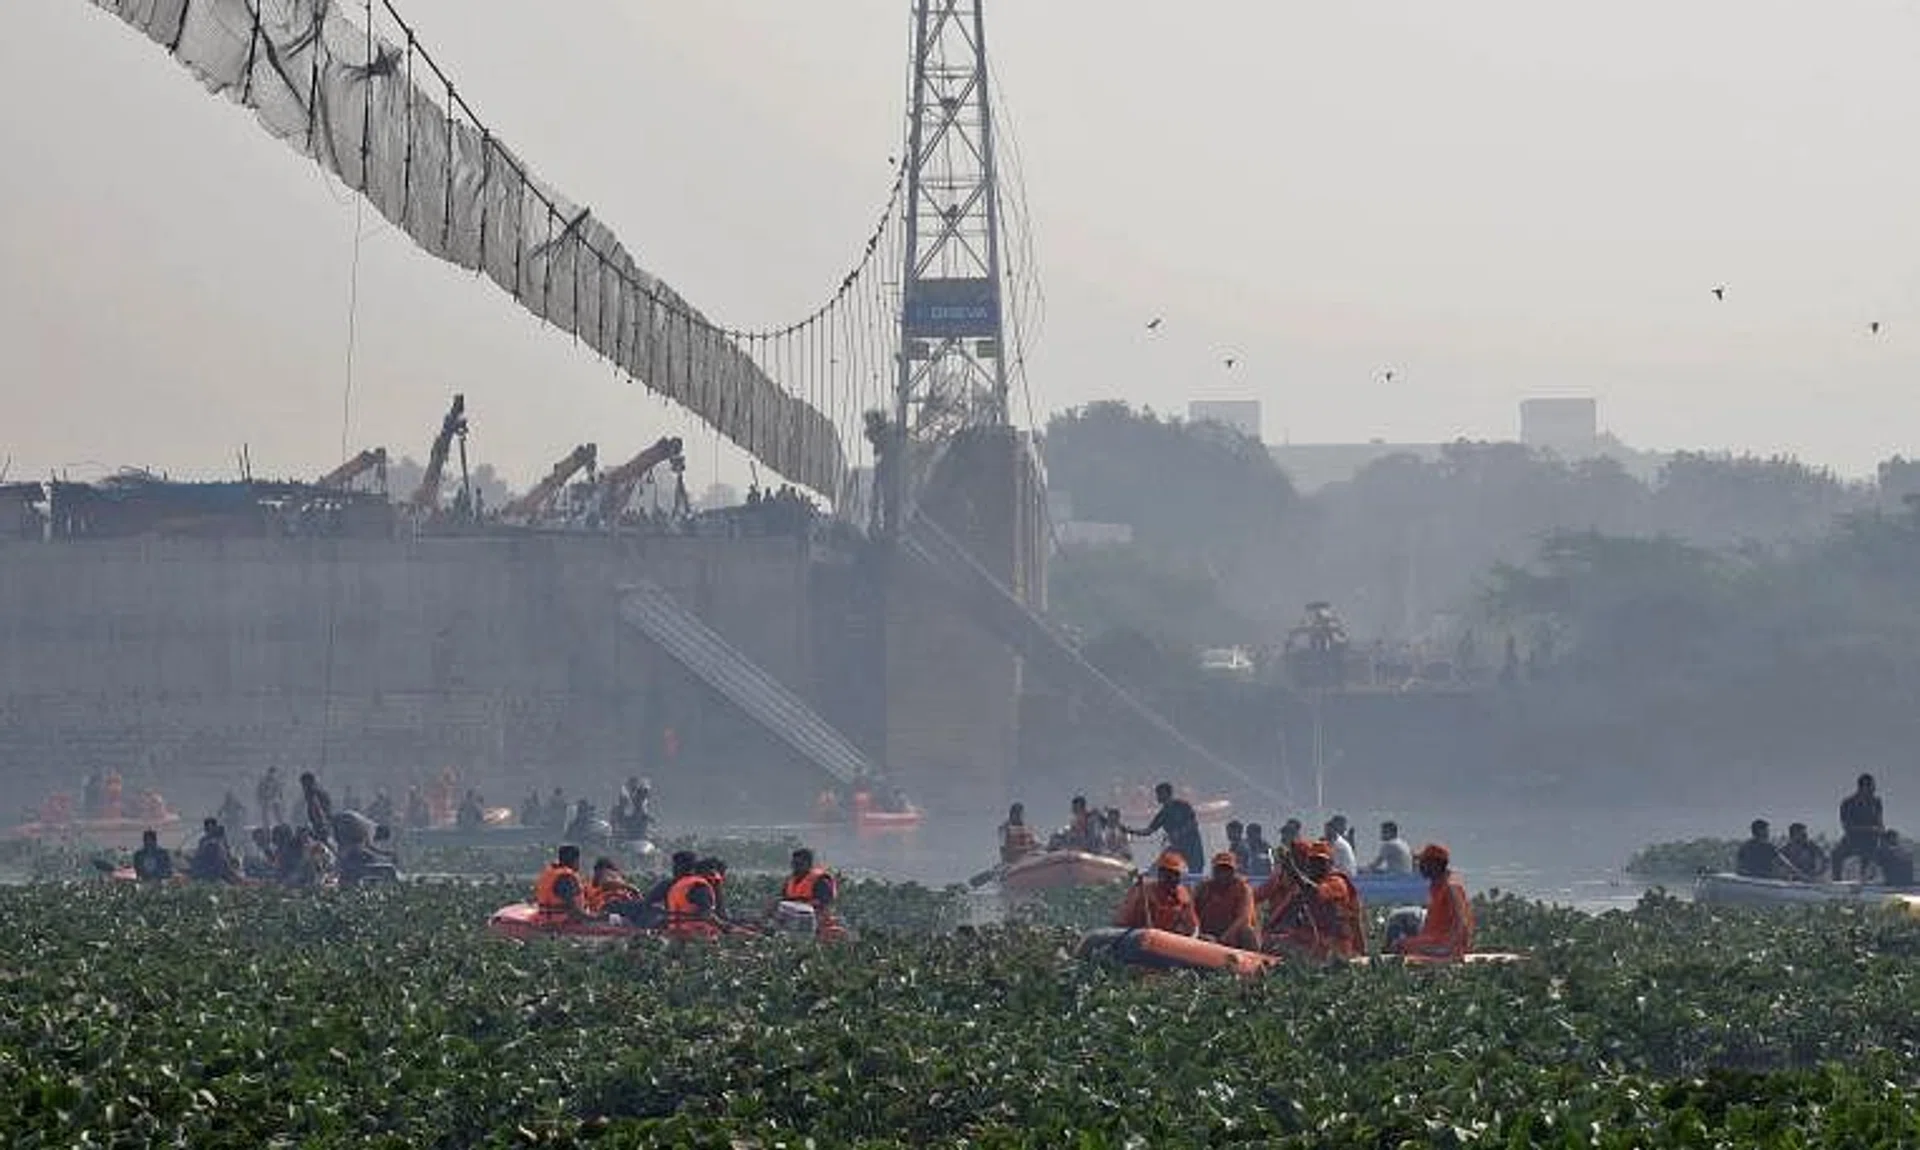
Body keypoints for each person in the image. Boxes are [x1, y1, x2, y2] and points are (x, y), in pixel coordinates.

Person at [1268, 842, 1366, 960]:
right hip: (1315, 938)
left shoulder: (1337, 882)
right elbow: (1286, 911)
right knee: (1275, 942)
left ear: (1330, 864)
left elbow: (1315, 892)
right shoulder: (1301, 885)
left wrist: (1293, 871)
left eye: (1320, 862)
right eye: (1312, 861)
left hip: (1336, 944)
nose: (1315, 865)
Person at [1390, 843, 1474, 961]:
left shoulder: (1451, 886)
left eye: (1423, 862)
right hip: (1434, 940)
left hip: (1445, 945)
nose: (1420, 866)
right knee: (1400, 939)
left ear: (1435, 864)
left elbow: (1461, 923)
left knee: (1400, 945)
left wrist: (1454, 950)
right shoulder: (1436, 885)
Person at [1122, 783, 1204, 874]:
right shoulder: (1162, 814)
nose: (1157, 796)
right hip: (1177, 848)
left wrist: (1180, 833)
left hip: (1193, 846)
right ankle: (1147, 876)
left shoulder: (1183, 806)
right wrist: (1131, 831)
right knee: (1160, 866)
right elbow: (1148, 831)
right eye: (1157, 793)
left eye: (1159, 793)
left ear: (1167, 793)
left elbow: (1193, 823)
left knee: (1196, 871)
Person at [1113, 851, 1199, 935]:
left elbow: (1192, 927)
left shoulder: (1183, 897)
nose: (1173, 879)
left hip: (1165, 943)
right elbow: (1122, 922)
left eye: (1177, 875)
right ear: (1160, 873)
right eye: (1168, 875)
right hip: (1137, 940)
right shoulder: (1142, 891)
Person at [1193, 851, 1260, 950]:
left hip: (1234, 936)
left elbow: (1243, 918)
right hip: (1209, 934)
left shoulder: (1243, 889)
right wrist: (1200, 933)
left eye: (1227, 870)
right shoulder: (1203, 888)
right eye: (1219, 869)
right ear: (1214, 871)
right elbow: (1192, 913)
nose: (1223, 874)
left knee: (1247, 932)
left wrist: (1224, 938)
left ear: (1234, 871)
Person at [1833, 774, 1887, 881]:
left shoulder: (1876, 802)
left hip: (1872, 841)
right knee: (1836, 855)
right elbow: (1847, 827)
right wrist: (1869, 829)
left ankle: (1889, 881)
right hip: (1853, 839)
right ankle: (1837, 882)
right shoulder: (1848, 803)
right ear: (1863, 787)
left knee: (1890, 854)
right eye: (1872, 786)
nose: (1874, 789)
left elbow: (1880, 822)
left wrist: (1882, 832)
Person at [780, 848, 842, 939]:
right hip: (791, 920)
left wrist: (801, 904)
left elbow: (824, 902)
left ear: (808, 864)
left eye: (799, 864)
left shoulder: (820, 881)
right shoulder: (790, 881)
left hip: (815, 920)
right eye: (794, 864)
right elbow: (783, 900)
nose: (795, 868)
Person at [532, 845, 598, 924]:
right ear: (575, 860)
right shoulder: (566, 878)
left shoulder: (550, 872)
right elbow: (573, 910)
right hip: (561, 923)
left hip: (546, 919)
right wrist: (596, 918)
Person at [585, 857, 650, 922]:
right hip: (611, 906)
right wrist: (630, 888)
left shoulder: (614, 882)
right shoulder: (591, 886)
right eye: (607, 874)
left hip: (624, 905)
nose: (608, 877)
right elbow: (607, 884)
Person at [187, 819, 241, 884]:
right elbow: (199, 858)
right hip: (209, 875)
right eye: (208, 827)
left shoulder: (220, 842)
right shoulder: (204, 841)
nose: (210, 829)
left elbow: (226, 857)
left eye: (212, 827)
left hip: (217, 875)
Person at [299, 772, 334, 844]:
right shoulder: (315, 794)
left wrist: (321, 825)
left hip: (322, 829)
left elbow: (319, 812)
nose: (303, 788)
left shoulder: (314, 795)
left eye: (304, 785)